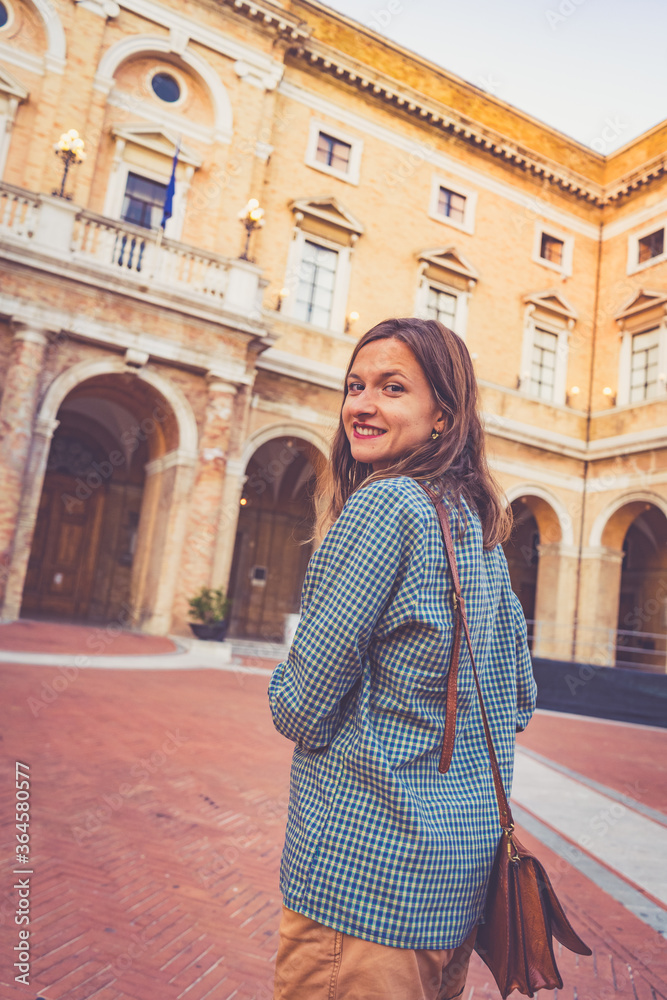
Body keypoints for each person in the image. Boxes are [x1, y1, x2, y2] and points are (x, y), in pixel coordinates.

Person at [268, 317, 537, 1000]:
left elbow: (299, 706)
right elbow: (521, 700)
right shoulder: (476, 522)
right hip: (452, 888)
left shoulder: (384, 506)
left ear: (442, 414)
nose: (362, 404)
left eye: (392, 388)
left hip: (360, 884)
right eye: (355, 386)